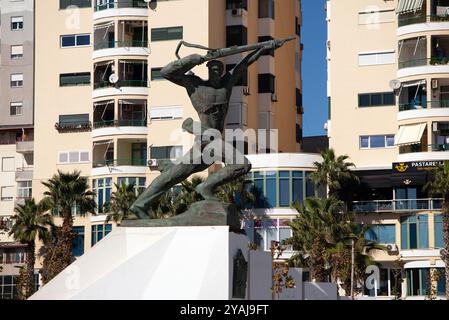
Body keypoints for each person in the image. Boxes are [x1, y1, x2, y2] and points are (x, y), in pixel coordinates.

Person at [130, 39, 289, 219]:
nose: (215, 72)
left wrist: (264, 48)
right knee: (241, 164)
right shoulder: (196, 85)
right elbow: (167, 72)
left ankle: (140, 204)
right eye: (212, 68)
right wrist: (195, 59)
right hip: (206, 140)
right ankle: (201, 188)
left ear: (221, 72)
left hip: (212, 143)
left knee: (174, 174)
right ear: (207, 69)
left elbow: (244, 64)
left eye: (218, 69)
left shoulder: (225, 85)